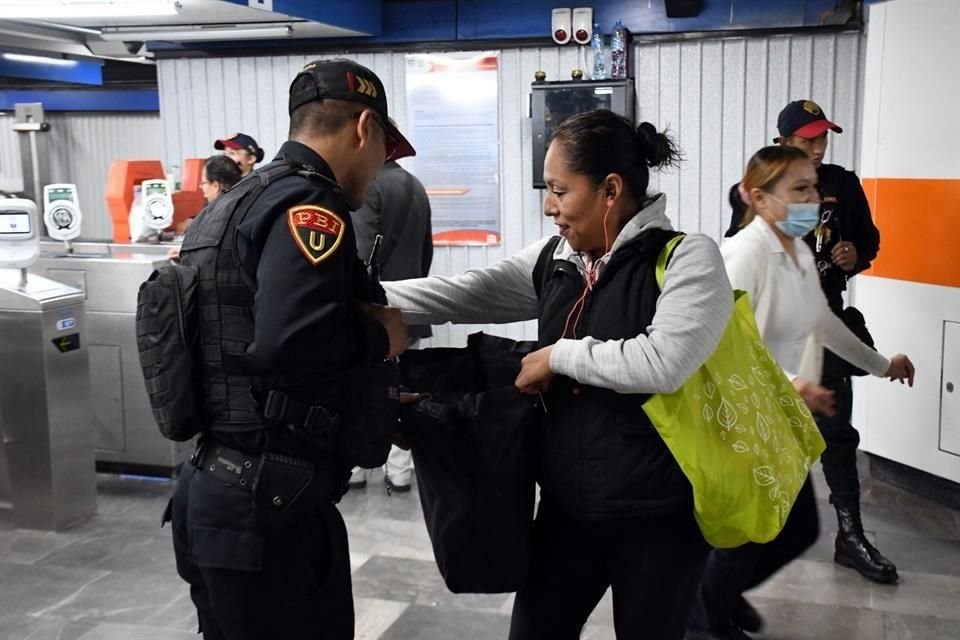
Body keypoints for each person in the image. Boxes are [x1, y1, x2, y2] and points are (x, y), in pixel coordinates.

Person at [384, 109, 735, 640]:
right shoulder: (560, 257)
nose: (549, 206)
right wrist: (370, 298)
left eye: (558, 190)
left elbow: (664, 361)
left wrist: (558, 355)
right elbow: (471, 291)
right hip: (569, 509)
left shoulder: (687, 258)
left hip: (658, 519)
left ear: (610, 190)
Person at [167, 58, 415, 640]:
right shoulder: (311, 207)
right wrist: (384, 335)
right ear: (363, 130)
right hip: (268, 510)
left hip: (216, 491)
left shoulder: (230, 204)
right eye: (384, 150)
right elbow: (291, 343)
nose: (378, 171)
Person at [687, 145, 916, 640]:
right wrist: (794, 384)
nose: (813, 199)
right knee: (756, 533)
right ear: (758, 197)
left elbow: (823, 323)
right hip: (737, 420)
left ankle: (717, 600)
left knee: (789, 529)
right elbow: (725, 344)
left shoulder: (797, 254)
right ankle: (704, 620)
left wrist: (883, 365)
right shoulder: (743, 255)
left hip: (775, 418)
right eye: (799, 189)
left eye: (813, 187)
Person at [725, 100, 896, 585]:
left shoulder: (843, 183)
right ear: (783, 144)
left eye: (823, 139)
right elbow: (739, 280)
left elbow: (870, 242)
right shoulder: (757, 196)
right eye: (808, 140)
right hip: (774, 332)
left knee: (838, 436)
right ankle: (728, 570)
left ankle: (850, 536)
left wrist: (855, 255)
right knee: (765, 452)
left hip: (823, 318)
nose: (818, 149)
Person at [348, 147, 433, 492]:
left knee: (363, 383)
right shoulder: (415, 185)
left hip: (376, 308)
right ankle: (399, 471)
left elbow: (361, 252)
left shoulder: (369, 186)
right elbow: (426, 249)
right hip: (410, 302)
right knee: (403, 383)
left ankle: (355, 466)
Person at [168, 155, 244, 260]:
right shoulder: (246, 204)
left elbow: (208, 257)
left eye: (203, 183)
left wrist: (186, 254)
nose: (201, 188)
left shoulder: (218, 216)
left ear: (216, 186)